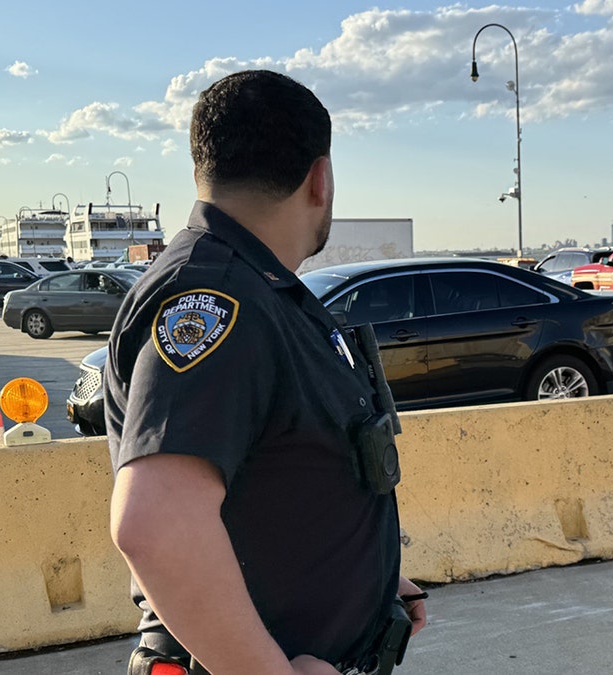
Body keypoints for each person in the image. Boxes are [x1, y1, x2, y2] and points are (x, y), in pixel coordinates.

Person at [105, 69, 426, 675]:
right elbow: (155, 522)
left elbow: (275, 475)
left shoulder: (261, 289)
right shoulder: (217, 297)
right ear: (320, 179)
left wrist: (373, 574)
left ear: (204, 170)